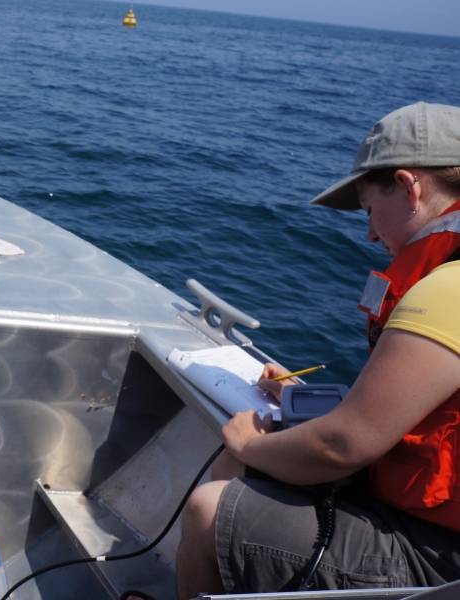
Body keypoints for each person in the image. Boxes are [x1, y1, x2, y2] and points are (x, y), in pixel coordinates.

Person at [176, 102, 460, 599]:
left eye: (371, 210)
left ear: (411, 187)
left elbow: (342, 447)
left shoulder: (446, 290)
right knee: (240, 471)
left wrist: (249, 443)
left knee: (209, 506)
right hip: (428, 524)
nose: (370, 233)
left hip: (437, 558)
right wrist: (309, 400)